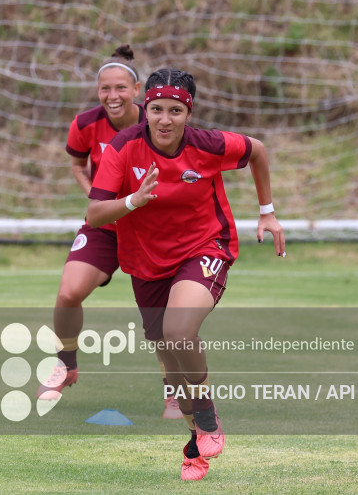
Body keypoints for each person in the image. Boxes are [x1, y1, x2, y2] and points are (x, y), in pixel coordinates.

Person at [86, 68, 286, 481]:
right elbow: (94, 212)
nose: (164, 119)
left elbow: (259, 151)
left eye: (175, 111)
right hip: (146, 263)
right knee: (170, 360)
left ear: (188, 113)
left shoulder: (209, 145)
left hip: (205, 248)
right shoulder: (125, 147)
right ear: (147, 110)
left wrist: (267, 212)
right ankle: (196, 446)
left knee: (179, 331)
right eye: (157, 109)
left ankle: (209, 415)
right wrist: (132, 201)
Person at [35, 46, 182, 419]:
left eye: (120, 88)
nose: (112, 96)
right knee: (68, 292)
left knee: (160, 316)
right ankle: (66, 365)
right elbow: (76, 164)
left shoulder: (157, 123)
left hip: (148, 230)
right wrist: (96, 199)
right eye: (104, 89)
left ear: (136, 90)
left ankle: (174, 393)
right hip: (105, 226)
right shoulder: (85, 124)